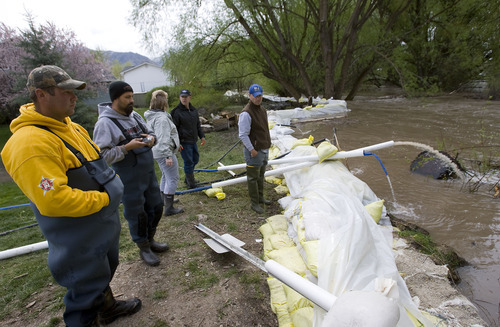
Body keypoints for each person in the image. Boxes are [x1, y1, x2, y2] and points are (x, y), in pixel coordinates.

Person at [1, 65, 141, 326]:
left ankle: (107, 308)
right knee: (84, 292)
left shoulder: (72, 128)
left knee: (102, 272)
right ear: (42, 95)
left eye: (74, 90)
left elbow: (98, 164)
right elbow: (52, 199)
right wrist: (104, 199)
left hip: (98, 226)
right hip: (78, 235)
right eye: (67, 91)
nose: (74, 96)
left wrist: (114, 184)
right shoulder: (30, 143)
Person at [93, 81, 168, 267]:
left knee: (157, 206)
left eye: (132, 96)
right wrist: (127, 147)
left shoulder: (134, 116)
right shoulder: (105, 123)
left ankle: (150, 240)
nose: (131, 100)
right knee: (138, 213)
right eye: (127, 97)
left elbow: (151, 133)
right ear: (115, 99)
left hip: (148, 173)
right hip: (128, 177)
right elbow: (102, 156)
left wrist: (152, 139)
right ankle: (143, 247)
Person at [144, 90, 183, 216]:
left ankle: (163, 200)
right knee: (173, 177)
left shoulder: (153, 116)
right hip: (163, 152)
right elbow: (163, 138)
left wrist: (176, 145)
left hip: (157, 151)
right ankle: (169, 208)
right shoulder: (161, 119)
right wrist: (167, 155)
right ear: (163, 103)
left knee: (166, 176)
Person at [238, 84, 272, 214]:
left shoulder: (262, 110)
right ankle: (254, 203)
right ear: (250, 96)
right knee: (252, 177)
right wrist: (252, 150)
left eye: (260, 96)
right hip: (254, 151)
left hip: (264, 148)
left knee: (261, 175)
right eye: (256, 96)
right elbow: (242, 135)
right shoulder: (246, 113)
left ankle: (261, 197)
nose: (258, 98)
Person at [170, 89, 206, 189]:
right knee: (188, 162)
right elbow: (173, 130)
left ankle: (188, 178)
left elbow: (197, 125)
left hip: (193, 140)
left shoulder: (193, 110)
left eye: (186, 97)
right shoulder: (176, 112)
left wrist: (202, 136)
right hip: (184, 142)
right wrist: (177, 143)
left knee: (195, 159)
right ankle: (191, 183)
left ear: (189, 97)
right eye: (182, 97)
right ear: (179, 98)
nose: (184, 99)